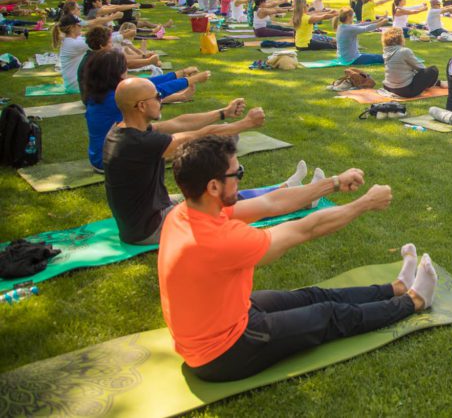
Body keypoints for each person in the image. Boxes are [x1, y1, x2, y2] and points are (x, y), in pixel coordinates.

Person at [158, 135, 437, 382]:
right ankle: (414, 301)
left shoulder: (186, 211)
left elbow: (272, 203)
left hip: (228, 316)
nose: (241, 177)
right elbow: (307, 228)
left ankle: (396, 288)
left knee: (312, 296)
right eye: (237, 173)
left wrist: (335, 183)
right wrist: (365, 203)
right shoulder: (219, 241)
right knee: (328, 315)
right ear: (214, 187)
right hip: (224, 353)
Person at [103, 77, 265, 244]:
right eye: (157, 96)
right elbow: (200, 136)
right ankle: (274, 202)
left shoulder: (123, 129)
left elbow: (180, 122)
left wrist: (224, 112)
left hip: (145, 215)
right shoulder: (139, 143)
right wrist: (247, 123)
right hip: (150, 228)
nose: (161, 100)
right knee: (219, 204)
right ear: (142, 106)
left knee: (203, 196)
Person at [81, 50, 207, 171]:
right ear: (114, 73)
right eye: (125, 68)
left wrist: (180, 73)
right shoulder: (112, 97)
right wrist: (191, 80)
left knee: (168, 132)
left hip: (106, 153)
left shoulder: (101, 92)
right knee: (180, 146)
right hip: (107, 159)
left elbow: (146, 83)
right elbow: (156, 90)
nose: (127, 71)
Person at [381, 27, 439, 98]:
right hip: (405, 90)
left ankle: (436, 83)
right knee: (432, 70)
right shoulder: (404, 51)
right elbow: (421, 69)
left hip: (388, 87)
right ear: (400, 38)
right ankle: (434, 84)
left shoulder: (386, 51)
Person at [53, 16, 89, 90]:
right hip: (75, 85)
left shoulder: (70, 40)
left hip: (73, 82)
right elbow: (100, 42)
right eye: (79, 25)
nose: (81, 27)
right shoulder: (73, 43)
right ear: (72, 28)